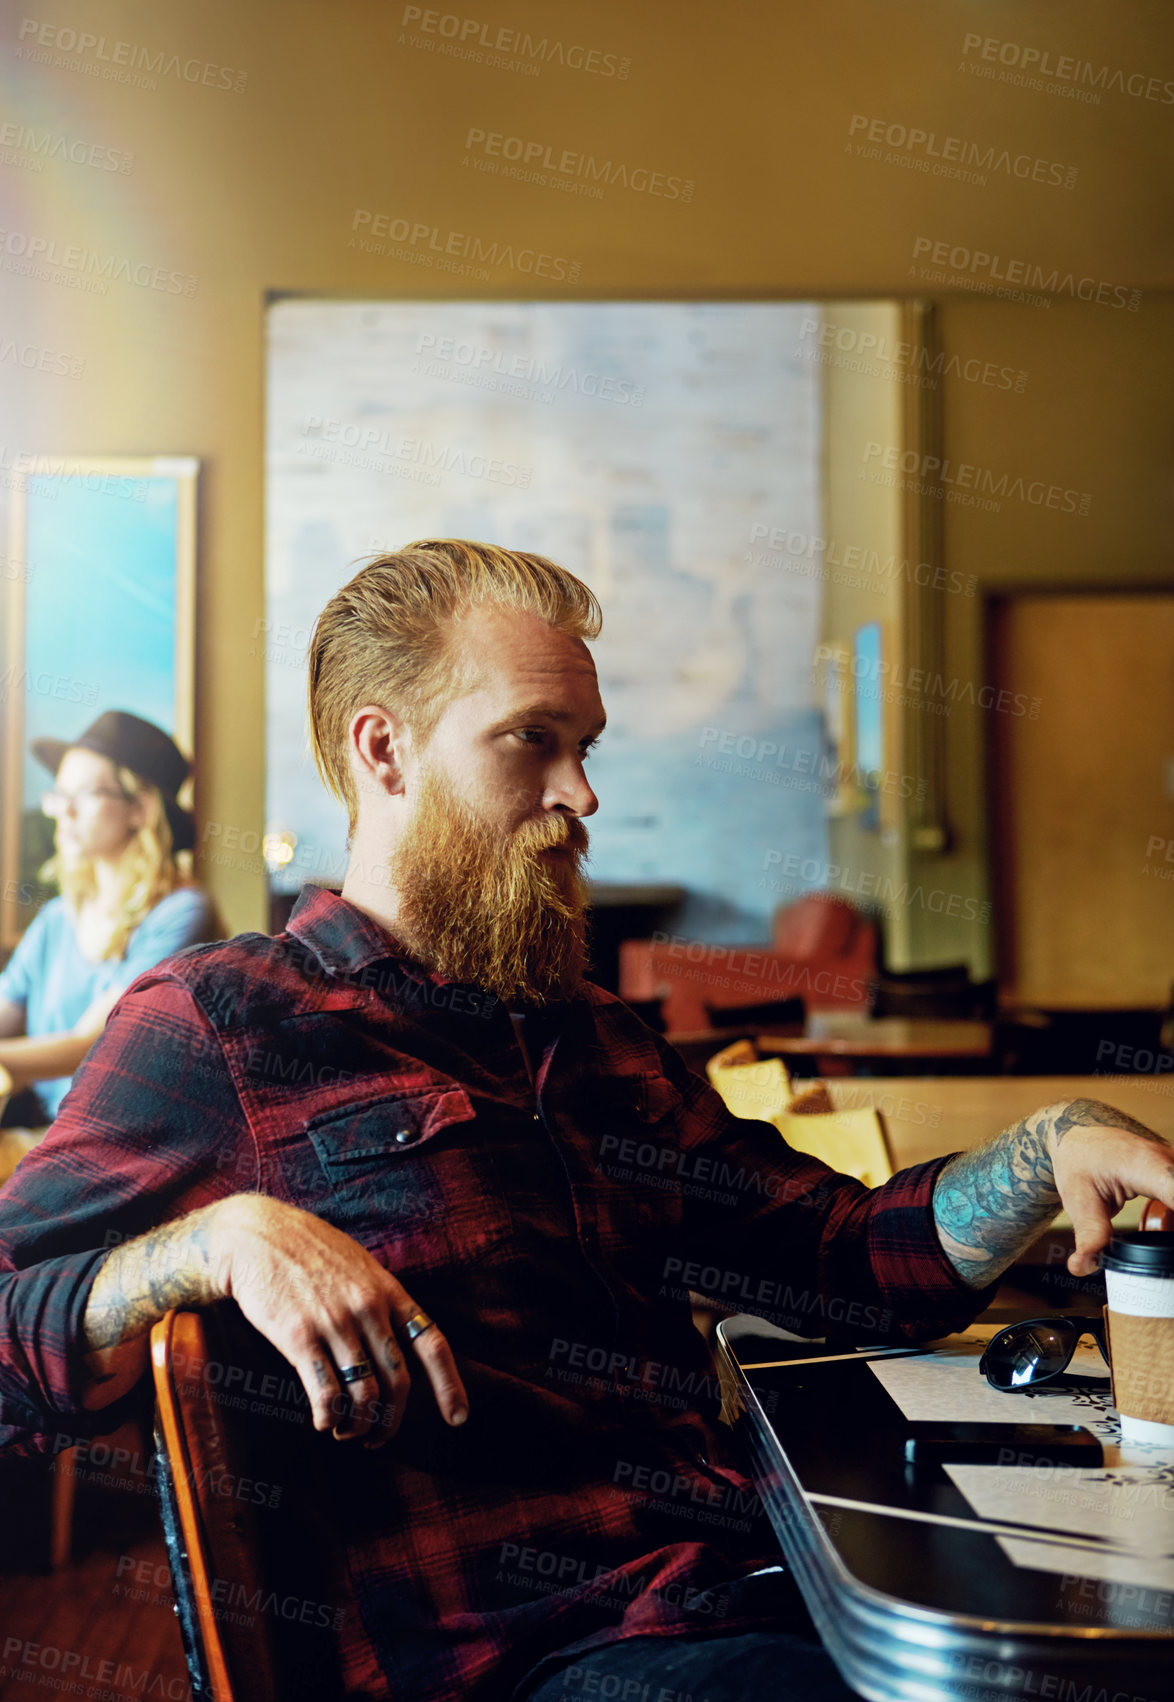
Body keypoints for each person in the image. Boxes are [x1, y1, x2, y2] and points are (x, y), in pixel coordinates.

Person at [0, 540, 1170, 1702]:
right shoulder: (224, 1024)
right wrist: (212, 1243)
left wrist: (1048, 1144)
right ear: (383, 747)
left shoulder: (597, 1036)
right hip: (536, 1659)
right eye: (532, 742)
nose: (582, 793)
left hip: (755, 1580)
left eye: (585, 748)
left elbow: (839, 1254)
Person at [0, 711, 216, 1126]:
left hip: (123, 1139)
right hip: (50, 1130)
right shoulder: (57, 918)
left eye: (84, 793)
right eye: (59, 793)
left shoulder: (182, 913)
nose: (64, 810)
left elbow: (91, 1045)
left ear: (140, 809)